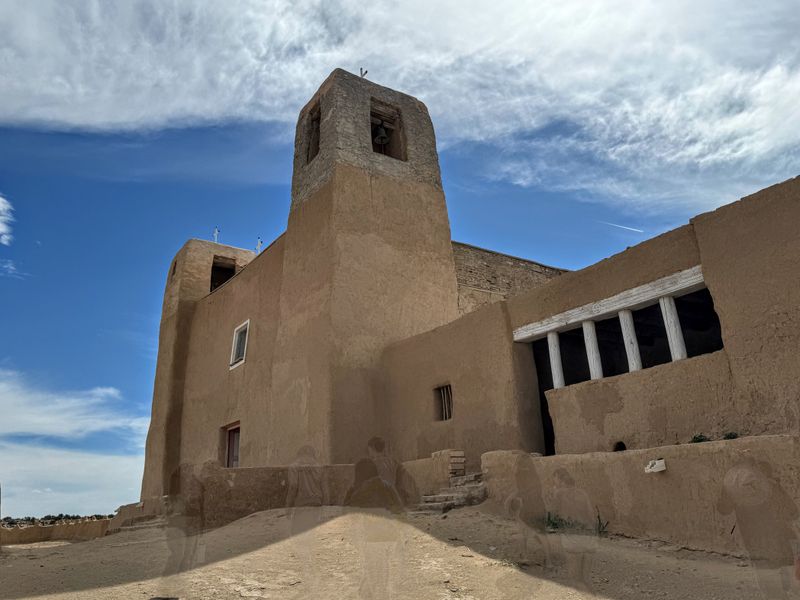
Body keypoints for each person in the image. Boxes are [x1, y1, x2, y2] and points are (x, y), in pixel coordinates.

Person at [718, 459, 800, 599]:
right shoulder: (773, 486)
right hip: (784, 542)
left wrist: (729, 494)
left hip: (756, 546)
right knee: (793, 583)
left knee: (772, 590)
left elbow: (723, 509)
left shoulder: (734, 489)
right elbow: (793, 511)